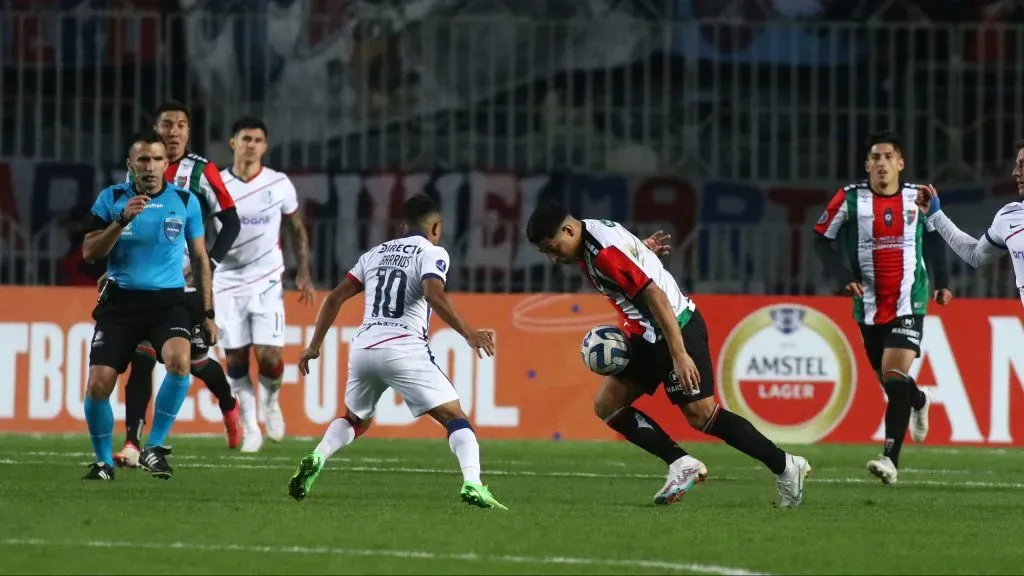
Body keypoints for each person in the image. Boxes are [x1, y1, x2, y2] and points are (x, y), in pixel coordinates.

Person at [526, 204, 810, 508]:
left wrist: (679, 353)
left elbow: (656, 296)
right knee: (607, 405)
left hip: (675, 328)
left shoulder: (604, 254)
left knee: (701, 415)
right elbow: (628, 259)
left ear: (568, 230)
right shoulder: (593, 231)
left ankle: (785, 465)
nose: (553, 258)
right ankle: (680, 463)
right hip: (647, 334)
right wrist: (643, 253)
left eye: (552, 248)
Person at [290, 194, 506, 510]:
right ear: (436, 227)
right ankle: (473, 482)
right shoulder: (433, 253)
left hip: (364, 348)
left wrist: (313, 345)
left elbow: (334, 298)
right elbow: (434, 294)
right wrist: (469, 333)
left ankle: (319, 454)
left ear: (403, 226)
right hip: (404, 348)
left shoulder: (374, 254)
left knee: (355, 420)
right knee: (455, 418)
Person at [813, 131, 952, 485]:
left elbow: (935, 234)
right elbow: (821, 239)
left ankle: (890, 460)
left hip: (910, 299)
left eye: (888, 157)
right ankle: (919, 400)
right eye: (875, 158)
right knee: (894, 385)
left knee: (893, 374)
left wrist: (943, 281)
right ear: (867, 165)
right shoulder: (848, 198)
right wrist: (844, 276)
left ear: (900, 164)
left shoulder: (917, 197)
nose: (881, 164)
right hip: (869, 305)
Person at [81, 129, 217, 480]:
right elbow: (90, 252)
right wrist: (122, 219)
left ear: (167, 163)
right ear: (131, 164)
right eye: (143, 159)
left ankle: (153, 447)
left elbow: (200, 260)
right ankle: (103, 463)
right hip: (121, 302)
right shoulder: (111, 198)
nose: (151, 166)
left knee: (179, 362)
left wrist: (207, 313)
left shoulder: (185, 202)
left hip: (167, 302)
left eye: (158, 159)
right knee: (98, 385)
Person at [114, 101, 242, 467]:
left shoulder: (201, 172)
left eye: (181, 125)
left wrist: (210, 262)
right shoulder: (139, 171)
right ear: (155, 129)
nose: (173, 131)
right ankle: (133, 444)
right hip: (147, 286)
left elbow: (231, 221)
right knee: (141, 359)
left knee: (197, 362)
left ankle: (229, 404)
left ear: (188, 132)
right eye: (167, 124)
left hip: (188, 289)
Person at [217, 116, 315, 452]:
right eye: (245, 139)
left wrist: (303, 270)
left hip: (267, 279)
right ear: (233, 143)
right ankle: (251, 427)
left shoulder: (279, 183)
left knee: (270, 355)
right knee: (236, 357)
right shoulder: (215, 184)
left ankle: (271, 401)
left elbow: (296, 227)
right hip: (226, 280)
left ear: (265, 146)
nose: (251, 145)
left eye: (258, 140)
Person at [915, 140, 1024, 306]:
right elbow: (975, 255)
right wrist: (936, 215)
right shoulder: (1009, 217)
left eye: (1022, 165)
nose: (1016, 172)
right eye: (1017, 165)